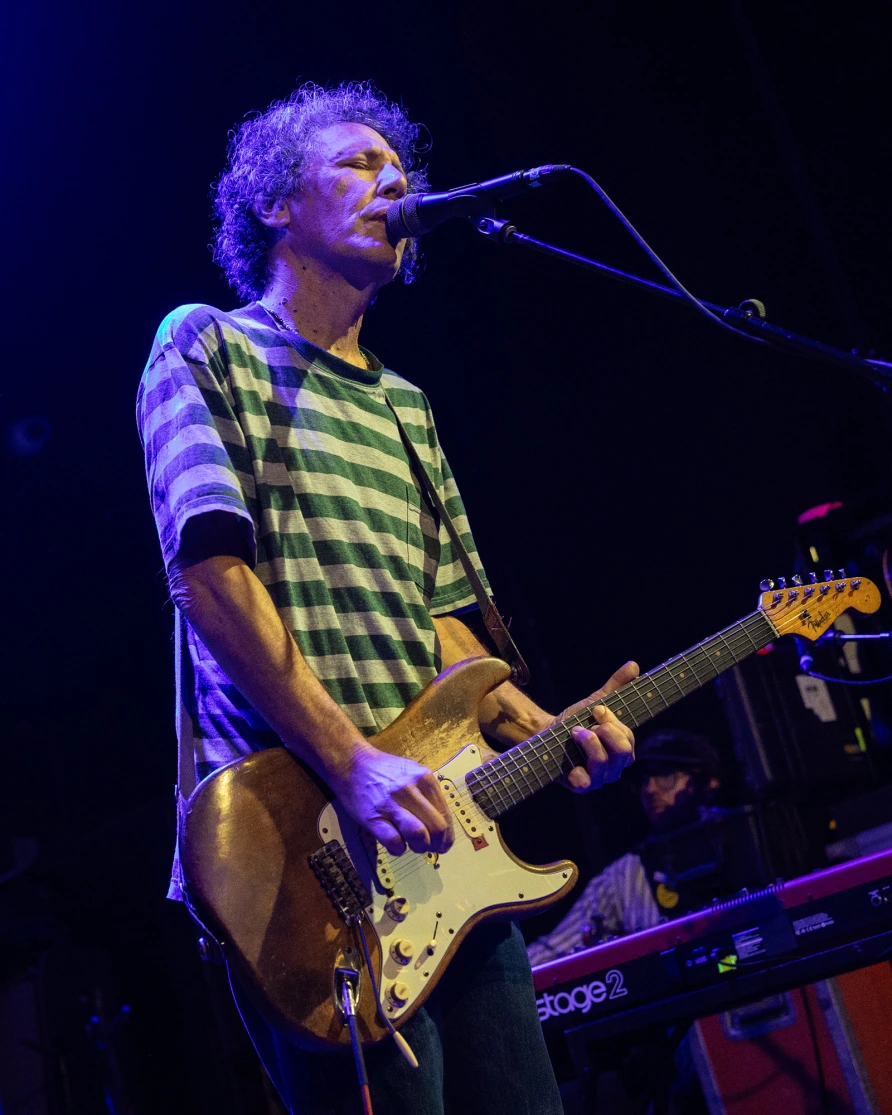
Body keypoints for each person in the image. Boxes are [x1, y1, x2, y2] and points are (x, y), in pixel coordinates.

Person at [137, 81, 637, 1115]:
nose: (394, 181)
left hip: (447, 847)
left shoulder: (408, 408)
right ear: (277, 204)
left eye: (398, 168)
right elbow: (207, 574)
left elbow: (448, 628)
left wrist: (549, 731)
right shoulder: (206, 343)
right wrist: (352, 761)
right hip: (303, 854)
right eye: (358, 164)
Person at [527, 731, 722, 965]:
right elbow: (554, 949)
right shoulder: (626, 874)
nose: (649, 790)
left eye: (665, 775)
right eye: (644, 780)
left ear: (708, 781)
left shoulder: (749, 833)